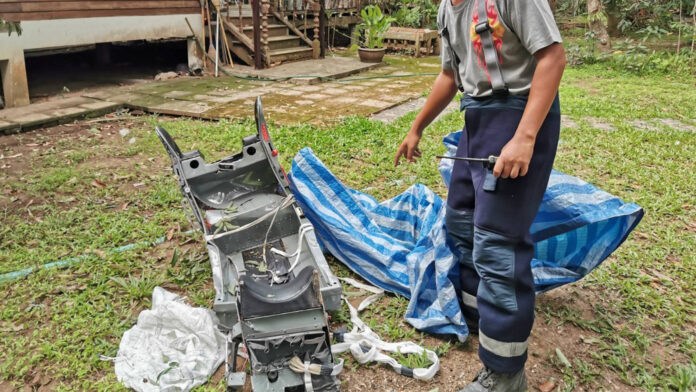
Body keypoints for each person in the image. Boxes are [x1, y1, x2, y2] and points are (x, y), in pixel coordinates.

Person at [393, 0, 566, 390]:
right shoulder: (446, 10)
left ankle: (506, 373)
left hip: (519, 117)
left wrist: (524, 138)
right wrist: (416, 128)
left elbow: (553, 57)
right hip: (477, 120)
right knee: (461, 222)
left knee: (498, 244)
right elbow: (448, 76)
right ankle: (478, 319)